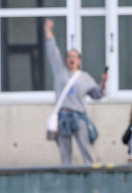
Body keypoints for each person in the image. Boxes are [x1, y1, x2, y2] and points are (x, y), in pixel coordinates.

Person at [44, 19, 105, 166]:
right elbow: (52, 52)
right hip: (63, 116)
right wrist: (48, 30)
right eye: (69, 57)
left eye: (75, 57)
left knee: (86, 148)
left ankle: (91, 174)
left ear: (79, 61)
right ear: (66, 60)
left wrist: (103, 83)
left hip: (79, 116)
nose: (72, 59)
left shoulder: (84, 77)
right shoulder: (60, 72)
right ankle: (67, 176)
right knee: (65, 152)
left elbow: (97, 95)